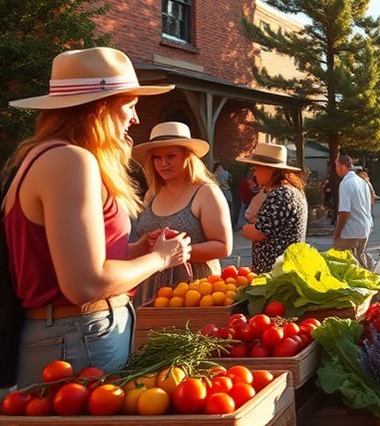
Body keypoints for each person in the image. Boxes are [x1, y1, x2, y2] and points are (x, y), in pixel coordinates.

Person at [3, 47, 191, 386]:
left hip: (71, 335)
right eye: (129, 106)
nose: (135, 118)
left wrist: (136, 251)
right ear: (101, 107)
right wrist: (160, 259)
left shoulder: (43, 156)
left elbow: (64, 262)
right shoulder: (70, 160)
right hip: (77, 337)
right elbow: (85, 284)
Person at [130, 122, 233, 305]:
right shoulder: (152, 193)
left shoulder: (206, 192)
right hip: (149, 291)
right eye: (157, 158)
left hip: (194, 294)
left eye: (171, 156)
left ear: (188, 156)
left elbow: (223, 247)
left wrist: (176, 252)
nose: (163, 163)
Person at [238, 143, 308, 273]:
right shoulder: (292, 191)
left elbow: (258, 232)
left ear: (269, 169)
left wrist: (245, 228)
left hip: (276, 274)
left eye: (256, 169)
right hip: (285, 270)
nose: (254, 174)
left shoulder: (280, 194)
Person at [333, 155, 374, 268]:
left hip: (350, 232)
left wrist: (337, 233)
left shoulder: (345, 184)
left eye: (336, 166)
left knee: (343, 263)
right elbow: (371, 202)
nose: (335, 169)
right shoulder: (362, 182)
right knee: (360, 260)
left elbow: (344, 212)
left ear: (342, 166)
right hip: (364, 228)